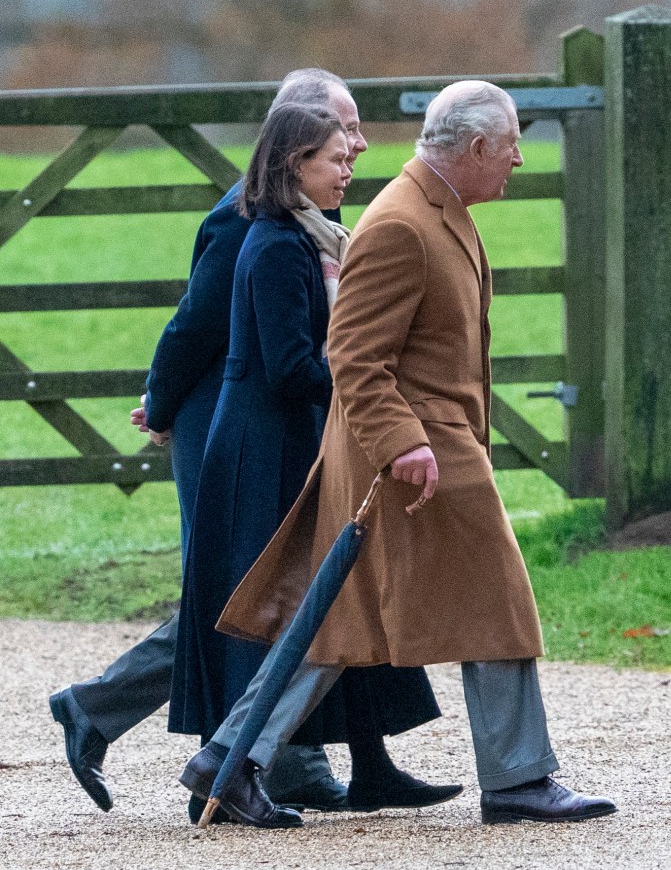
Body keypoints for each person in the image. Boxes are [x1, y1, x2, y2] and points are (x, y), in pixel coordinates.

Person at [187, 81, 617, 826]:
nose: (518, 157)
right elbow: (352, 356)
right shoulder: (401, 225)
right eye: (511, 143)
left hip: (422, 452)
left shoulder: (442, 210)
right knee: (500, 600)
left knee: (334, 622)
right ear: (477, 147)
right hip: (415, 458)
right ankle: (518, 779)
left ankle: (228, 757)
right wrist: (403, 442)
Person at [49, 70, 444, 822]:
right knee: (243, 596)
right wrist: (161, 409)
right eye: (344, 131)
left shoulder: (317, 215)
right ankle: (107, 713)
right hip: (229, 423)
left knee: (300, 579)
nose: (359, 145)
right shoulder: (245, 224)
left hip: (286, 416)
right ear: (295, 141)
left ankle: (331, 760)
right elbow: (196, 326)